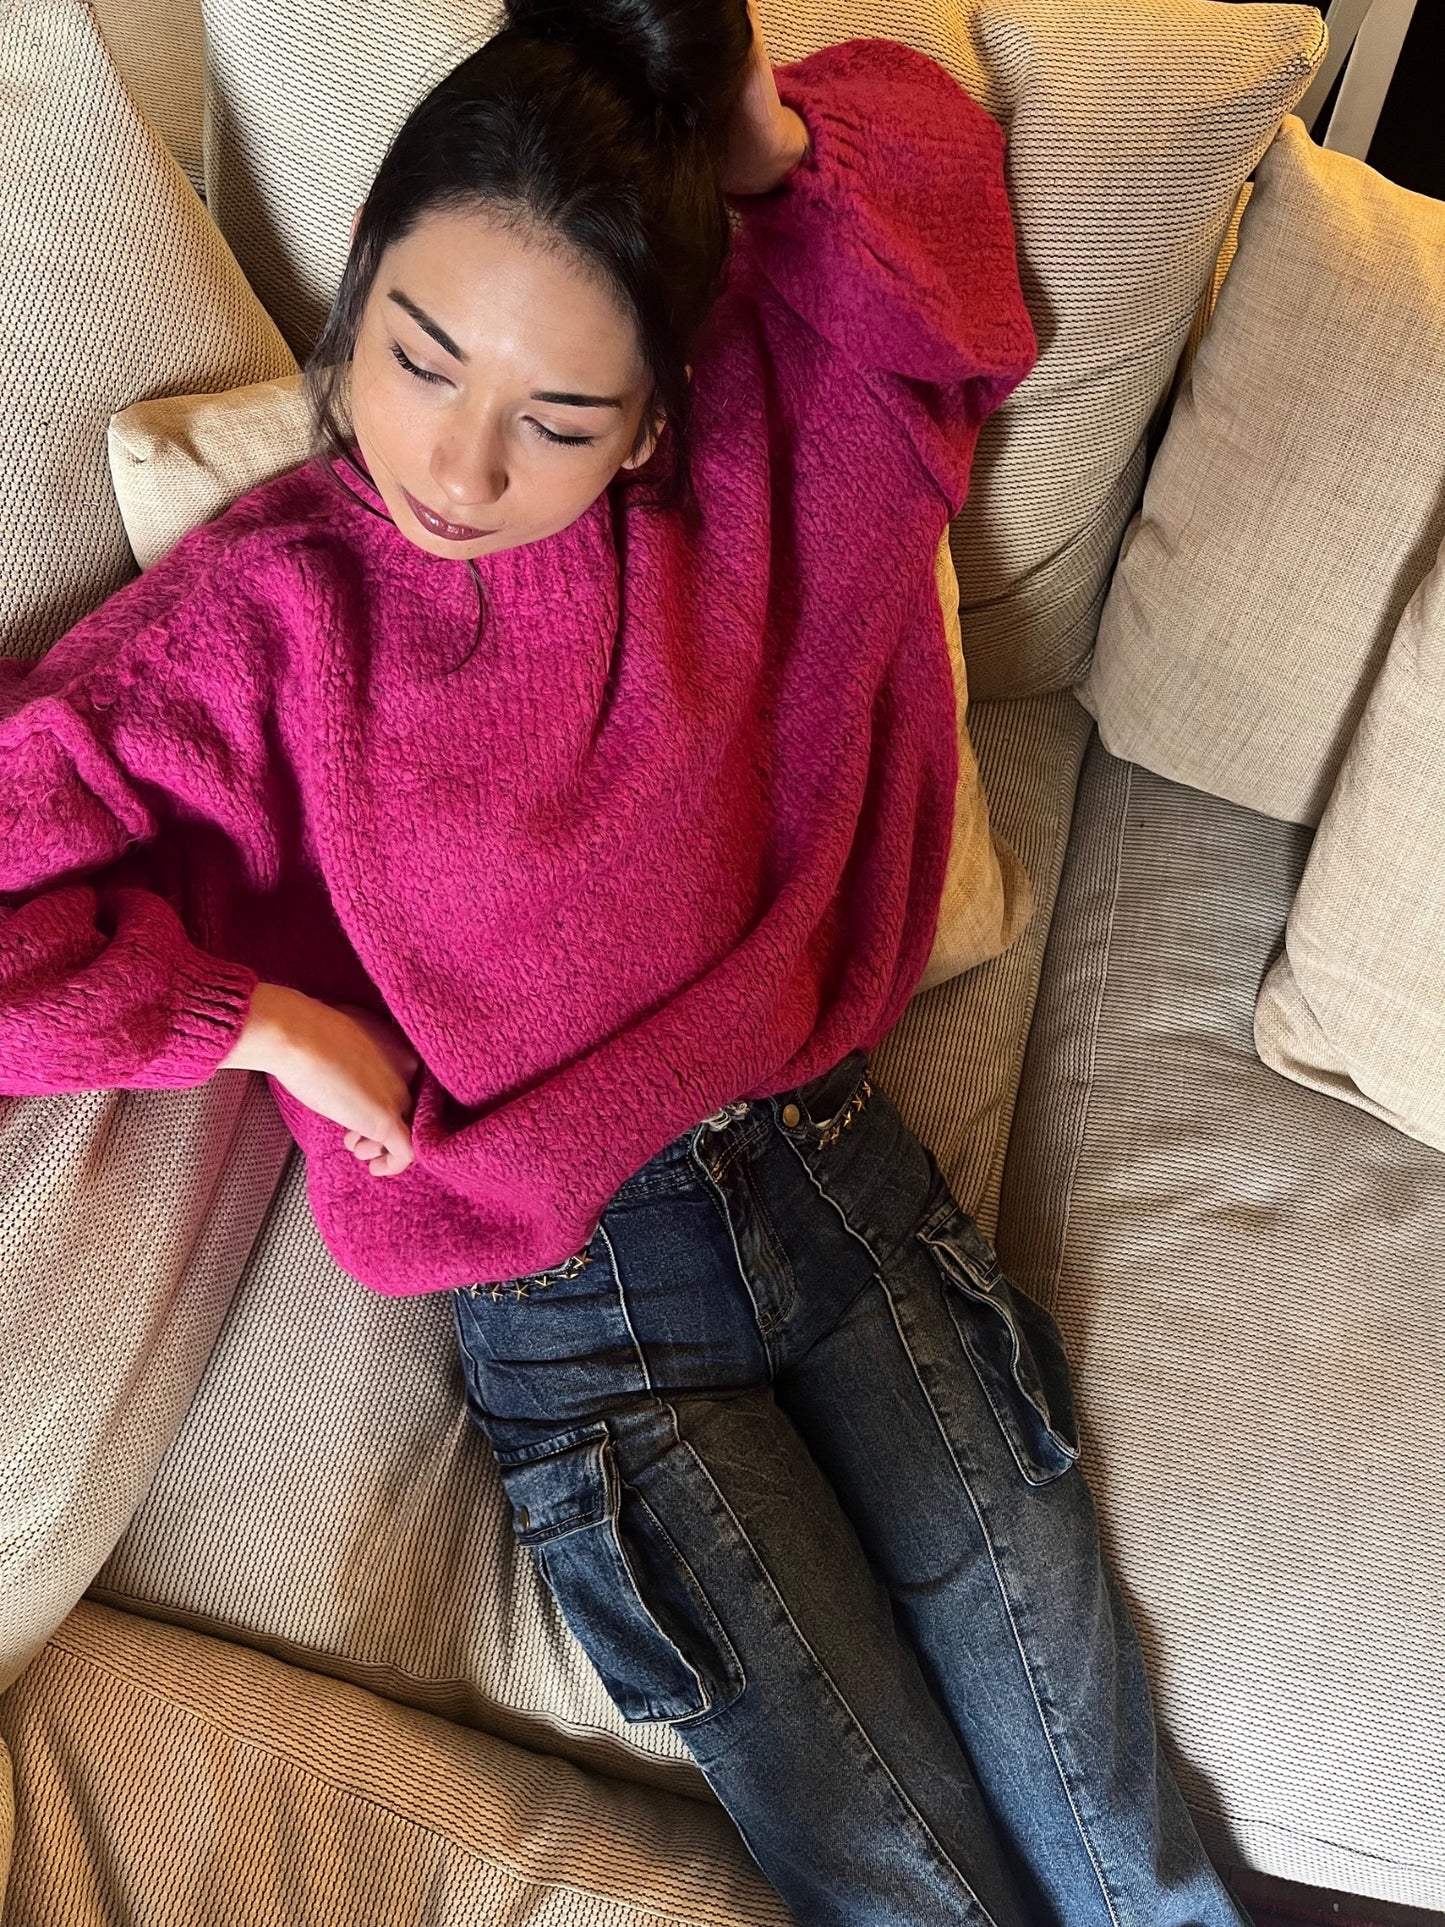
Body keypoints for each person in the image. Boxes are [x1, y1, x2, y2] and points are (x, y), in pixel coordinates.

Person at [0, 0, 1248, 1921]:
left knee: (1125, 1847)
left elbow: (936, 230)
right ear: (358, 300)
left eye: (558, 417)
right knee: (898, 1880)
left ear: (654, 410)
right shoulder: (267, 613)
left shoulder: (763, 445)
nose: (462, 458)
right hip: (579, 1327)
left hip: (839, 1189)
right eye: (417, 359)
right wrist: (254, 1024)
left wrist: (739, 122)